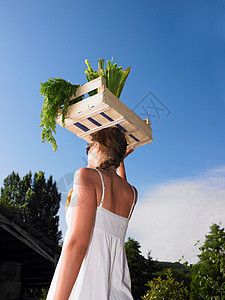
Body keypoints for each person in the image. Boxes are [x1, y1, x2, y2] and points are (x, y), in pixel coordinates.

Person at [46, 126, 138, 300]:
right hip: (117, 287)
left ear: (98, 147)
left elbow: (78, 244)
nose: (87, 151)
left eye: (89, 145)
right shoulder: (132, 193)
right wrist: (119, 160)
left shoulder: (87, 175)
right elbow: (118, 184)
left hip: (85, 281)